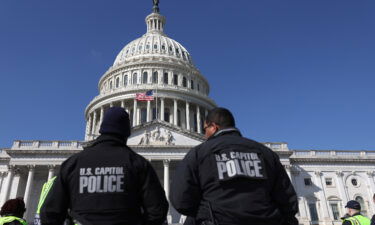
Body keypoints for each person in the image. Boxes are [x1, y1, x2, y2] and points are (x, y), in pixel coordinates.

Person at [40, 107, 169, 225]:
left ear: (101, 129)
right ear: (127, 132)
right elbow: (158, 210)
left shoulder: (72, 164)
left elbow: (49, 212)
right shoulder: (138, 163)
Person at [171, 107, 298, 225]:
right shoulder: (266, 153)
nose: (204, 135)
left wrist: (205, 213)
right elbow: (288, 202)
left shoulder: (198, 153)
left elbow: (181, 200)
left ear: (213, 127)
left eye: (205, 129)